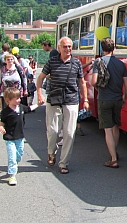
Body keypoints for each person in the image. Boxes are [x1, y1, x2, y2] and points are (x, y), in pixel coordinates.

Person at [36, 37, 89, 174]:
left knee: (70, 134)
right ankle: (51, 152)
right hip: (54, 100)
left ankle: (63, 163)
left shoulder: (76, 63)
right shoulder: (52, 61)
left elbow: (82, 82)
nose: (67, 49)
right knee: (53, 131)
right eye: (65, 46)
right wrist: (40, 95)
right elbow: (41, 77)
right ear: (59, 48)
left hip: (71, 100)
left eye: (70, 47)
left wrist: (86, 99)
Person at [91, 38, 127, 168]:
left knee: (107, 130)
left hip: (104, 99)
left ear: (102, 49)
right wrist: (124, 97)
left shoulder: (98, 62)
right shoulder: (121, 64)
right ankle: (115, 152)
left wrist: (97, 87)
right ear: (114, 48)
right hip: (117, 99)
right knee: (115, 127)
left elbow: (93, 81)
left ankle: (113, 159)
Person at [0, 87, 40, 185]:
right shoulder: (5, 112)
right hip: (9, 138)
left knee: (19, 154)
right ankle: (12, 175)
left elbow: (29, 108)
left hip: (20, 136)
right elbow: (2, 122)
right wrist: (1, 128)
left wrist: (38, 104)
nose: (19, 100)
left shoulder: (21, 107)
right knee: (12, 156)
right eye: (16, 98)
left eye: (19, 98)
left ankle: (15, 163)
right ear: (9, 100)